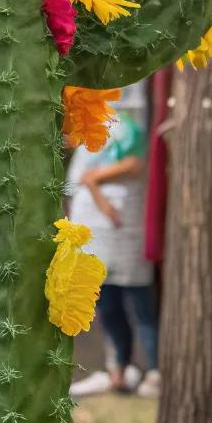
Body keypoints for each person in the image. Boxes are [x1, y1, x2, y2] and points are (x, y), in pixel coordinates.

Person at [68, 82, 160, 399]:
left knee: (138, 302)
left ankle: (155, 370)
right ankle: (117, 369)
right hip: (96, 229)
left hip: (123, 224)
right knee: (107, 301)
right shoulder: (95, 125)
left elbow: (135, 164)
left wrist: (96, 182)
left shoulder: (130, 127)